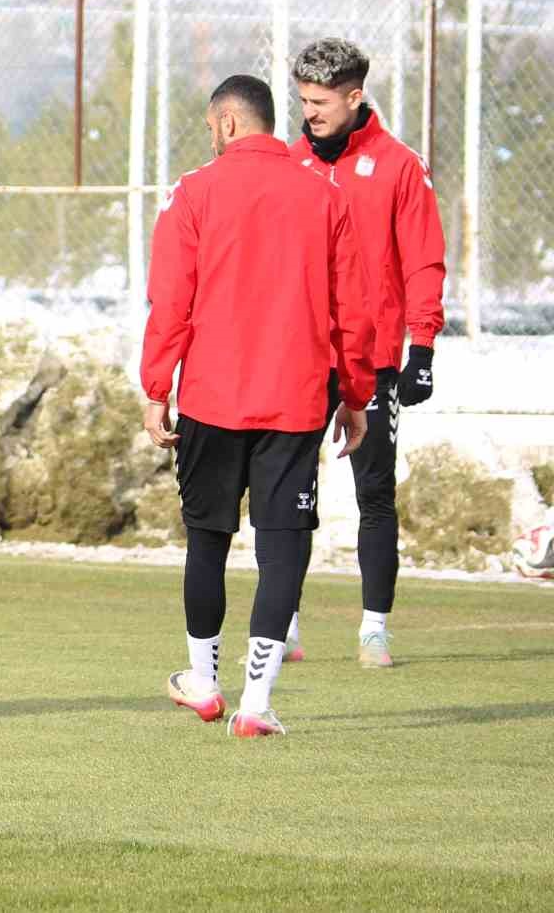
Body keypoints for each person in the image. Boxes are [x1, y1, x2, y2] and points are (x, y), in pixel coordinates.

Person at [142, 74, 375, 738]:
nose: (210, 137)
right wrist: (356, 394)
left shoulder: (192, 192)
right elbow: (352, 310)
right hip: (294, 402)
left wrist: (156, 387)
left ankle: (204, 682)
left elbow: (170, 300)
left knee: (207, 540)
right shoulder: (324, 195)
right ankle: (256, 703)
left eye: (211, 127)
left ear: (228, 123)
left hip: (211, 398)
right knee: (282, 548)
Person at [288, 37, 446, 669]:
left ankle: (374, 629)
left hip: (374, 359)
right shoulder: (289, 163)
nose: (309, 113)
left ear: (355, 96)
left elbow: (424, 260)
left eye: (321, 102)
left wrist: (422, 347)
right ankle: (283, 625)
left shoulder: (400, 166)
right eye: (303, 101)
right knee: (287, 496)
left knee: (375, 493)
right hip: (300, 360)